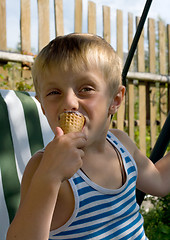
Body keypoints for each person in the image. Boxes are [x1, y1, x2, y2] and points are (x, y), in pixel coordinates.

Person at [7, 33, 170, 240]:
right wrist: (49, 176)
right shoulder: (42, 166)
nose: (69, 102)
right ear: (43, 106)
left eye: (86, 89)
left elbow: (161, 182)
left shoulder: (121, 143)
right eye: (54, 92)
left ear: (115, 100)